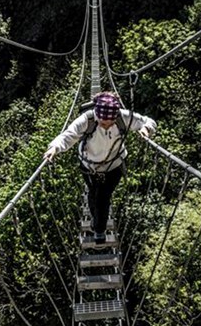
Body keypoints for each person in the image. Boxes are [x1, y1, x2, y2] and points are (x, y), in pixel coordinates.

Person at [43, 92, 157, 244]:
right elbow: (68, 135)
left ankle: (98, 229)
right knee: (93, 194)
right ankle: (96, 220)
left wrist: (146, 129)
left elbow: (149, 121)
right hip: (90, 167)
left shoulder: (122, 117)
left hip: (114, 166)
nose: (107, 125)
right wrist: (54, 148)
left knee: (103, 197)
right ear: (97, 115)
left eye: (111, 122)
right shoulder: (87, 119)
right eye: (104, 123)